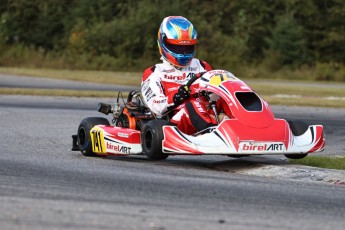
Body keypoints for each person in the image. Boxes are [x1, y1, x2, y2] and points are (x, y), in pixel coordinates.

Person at [141, 16, 226, 135]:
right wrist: (176, 97)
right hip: (178, 123)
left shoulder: (202, 66)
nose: (183, 52)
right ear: (163, 43)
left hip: (209, 112)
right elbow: (156, 106)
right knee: (193, 104)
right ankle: (213, 134)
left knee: (234, 96)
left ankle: (253, 127)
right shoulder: (154, 72)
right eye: (177, 47)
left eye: (187, 47)